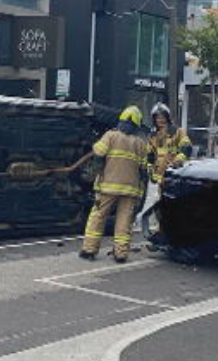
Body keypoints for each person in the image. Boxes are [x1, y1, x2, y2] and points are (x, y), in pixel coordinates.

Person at [80, 105, 150, 264]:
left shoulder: (110, 136)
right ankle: (121, 254)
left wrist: (92, 174)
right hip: (130, 190)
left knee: (98, 217)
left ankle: (89, 250)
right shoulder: (140, 144)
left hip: (108, 187)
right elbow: (143, 170)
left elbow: (98, 155)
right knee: (124, 221)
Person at [140, 103, 192, 237]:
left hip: (174, 175)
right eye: (157, 118)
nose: (160, 120)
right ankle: (162, 232)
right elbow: (150, 155)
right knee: (160, 206)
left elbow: (187, 147)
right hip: (160, 178)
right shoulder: (153, 135)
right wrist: (150, 170)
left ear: (167, 117)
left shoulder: (177, 131)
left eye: (162, 117)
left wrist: (177, 161)